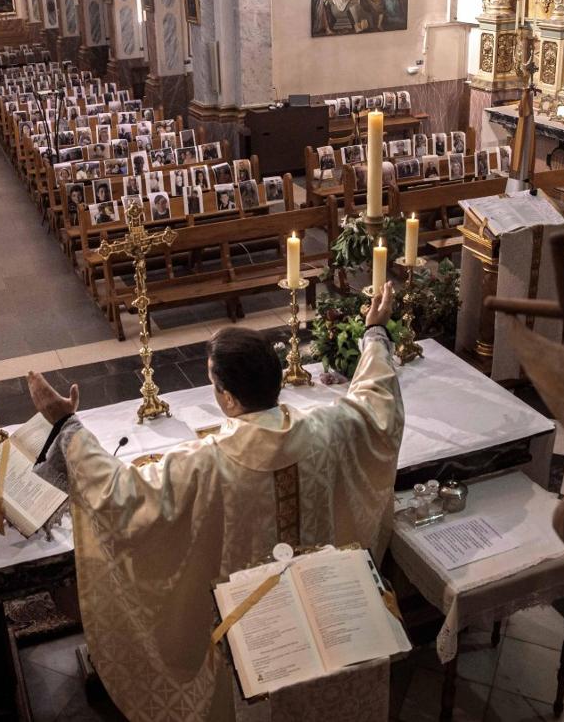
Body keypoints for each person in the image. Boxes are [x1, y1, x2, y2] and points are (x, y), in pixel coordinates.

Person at [27, 284, 403, 721]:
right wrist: (375, 332)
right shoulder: (327, 428)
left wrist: (67, 426)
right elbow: (376, 404)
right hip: (326, 608)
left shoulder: (208, 464)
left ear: (226, 396)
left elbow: (120, 497)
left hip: (251, 630)